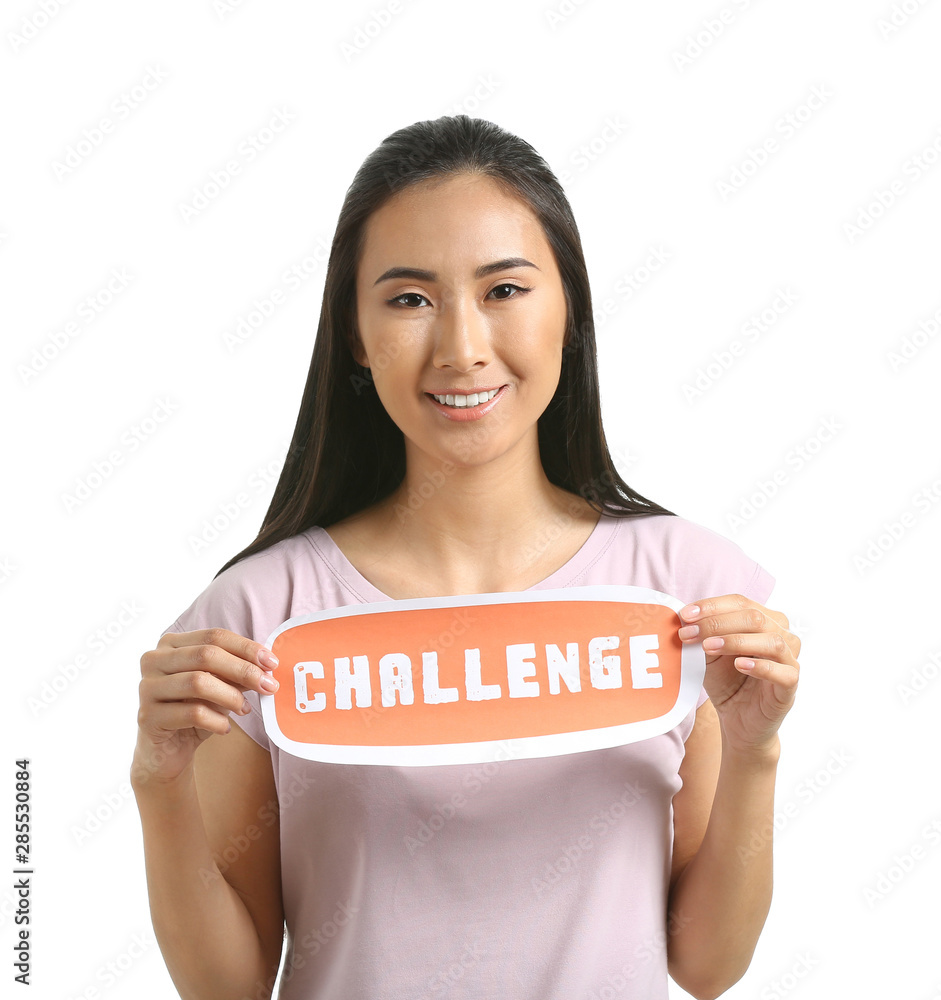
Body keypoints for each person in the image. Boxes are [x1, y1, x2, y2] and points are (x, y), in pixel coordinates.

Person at [131, 115, 800, 1000]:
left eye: (505, 290)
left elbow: (706, 965)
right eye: (409, 299)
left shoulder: (683, 593)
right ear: (355, 338)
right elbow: (229, 986)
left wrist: (754, 751)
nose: (461, 348)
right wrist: (157, 781)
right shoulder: (262, 616)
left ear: (570, 312)